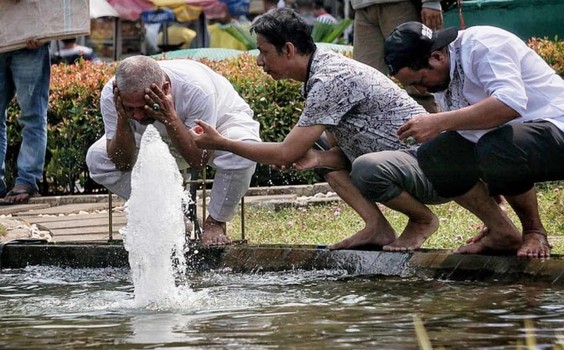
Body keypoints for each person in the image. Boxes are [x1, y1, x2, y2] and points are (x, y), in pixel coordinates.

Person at [191, 8, 448, 251]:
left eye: (264, 52)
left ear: (289, 49)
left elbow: (285, 154)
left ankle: (422, 219)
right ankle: (377, 227)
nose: (259, 61)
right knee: (318, 145)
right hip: (399, 162)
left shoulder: (329, 80)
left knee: (356, 164)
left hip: (429, 171)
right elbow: (332, 150)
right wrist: (318, 158)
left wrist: (222, 143)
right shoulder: (320, 69)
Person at [384, 22, 564, 258]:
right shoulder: (441, 74)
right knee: (436, 153)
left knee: (495, 145)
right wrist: (492, 181)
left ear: (437, 57)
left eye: (419, 80)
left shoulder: (483, 45)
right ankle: (502, 233)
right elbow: (472, 131)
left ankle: (534, 231)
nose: (421, 89)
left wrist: (439, 122)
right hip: (513, 140)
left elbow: (510, 104)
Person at [85, 55, 261, 245]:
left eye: (143, 107)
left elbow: (198, 161)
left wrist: (169, 117)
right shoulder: (112, 95)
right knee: (98, 159)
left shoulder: (196, 89)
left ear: (166, 88)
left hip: (217, 129)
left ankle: (215, 222)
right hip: (154, 138)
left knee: (241, 151)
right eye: (130, 108)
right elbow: (122, 162)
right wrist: (122, 118)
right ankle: (171, 216)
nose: (137, 115)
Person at [351, 0, 445, 114]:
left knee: (419, 85)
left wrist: (431, 2)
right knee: (363, 85)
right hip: (362, 6)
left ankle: (434, 128)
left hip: (401, 4)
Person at [0, 38, 50, 204]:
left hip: (29, 42)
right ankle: (25, 180)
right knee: (33, 117)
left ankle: (27, 181)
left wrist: (45, 31)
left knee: (32, 116)